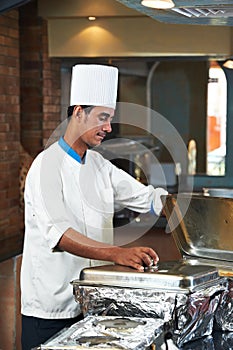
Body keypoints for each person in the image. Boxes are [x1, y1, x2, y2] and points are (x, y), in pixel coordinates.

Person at [20, 64, 168, 349]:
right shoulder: (45, 166)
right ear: (78, 112)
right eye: (102, 117)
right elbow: (60, 234)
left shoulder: (100, 166)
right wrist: (117, 254)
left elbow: (147, 198)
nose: (108, 128)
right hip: (52, 310)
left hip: (93, 305)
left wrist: (188, 208)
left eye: (110, 118)